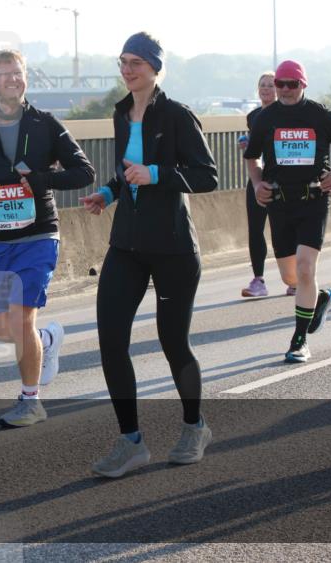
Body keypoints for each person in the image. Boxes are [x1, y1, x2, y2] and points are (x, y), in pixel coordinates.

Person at [80, 32, 218, 478]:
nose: (128, 69)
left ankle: (195, 427)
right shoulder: (122, 113)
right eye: (123, 61)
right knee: (110, 338)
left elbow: (207, 176)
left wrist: (157, 173)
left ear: (156, 67)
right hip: (127, 245)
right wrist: (107, 191)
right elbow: (127, 172)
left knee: (172, 342)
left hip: (174, 248)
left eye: (137, 62)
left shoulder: (177, 116)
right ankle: (131, 442)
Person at [0, 49, 95, 428]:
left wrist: (44, 179)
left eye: (18, 73)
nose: (12, 79)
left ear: (25, 78)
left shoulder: (45, 123)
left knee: (22, 316)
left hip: (38, 236)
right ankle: (46, 341)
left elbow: (84, 172)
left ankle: (31, 400)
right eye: (4, 74)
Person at [244, 60, 331, 363]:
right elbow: (252, 158)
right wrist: (257, 185)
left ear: (303, 85)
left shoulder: (319, 115)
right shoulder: (264, 119)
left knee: (307, 268)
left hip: (313, 198)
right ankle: (318, 298)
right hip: (279, 202)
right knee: (291, 278)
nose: (284, 90)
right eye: (279, 84)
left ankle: (299, 340)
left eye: (291, 84)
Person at [239, 72, 297, 297]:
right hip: (258, 177)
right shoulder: (253, 116)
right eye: (261, 85)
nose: (265, 89)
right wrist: (247, 143)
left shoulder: (286, 114)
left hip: (281, 178)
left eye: (270, 85)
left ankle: (293, 280)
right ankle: (258, 280)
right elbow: (256, 144)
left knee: (283, 228)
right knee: (255, 228)